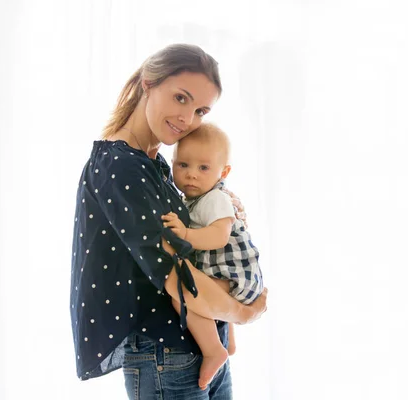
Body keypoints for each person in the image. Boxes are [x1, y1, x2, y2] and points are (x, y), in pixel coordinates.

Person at [69, 43, 268, 400]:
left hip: (196, 348)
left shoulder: (159, 165)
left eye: (200, 110)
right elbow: (177, 276)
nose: (187, 118)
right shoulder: (120, 166)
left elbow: (194, 249)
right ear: (148, 82)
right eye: (181, 98)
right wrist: (245, 312)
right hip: (165, 355)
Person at [161, 122, 264, 390]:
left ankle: (212, 351)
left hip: (236, 274)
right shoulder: (193, 199)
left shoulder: (216, 198)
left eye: (203, 168)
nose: (191, 175)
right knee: (203, 291)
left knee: (185, 298)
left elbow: (218, 237)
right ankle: (227, 342)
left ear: (223, 172)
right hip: (224, 272)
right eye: (182, 165)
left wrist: (184, 233)